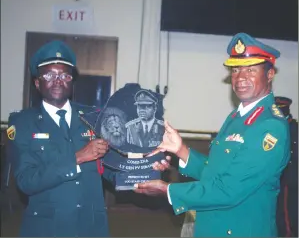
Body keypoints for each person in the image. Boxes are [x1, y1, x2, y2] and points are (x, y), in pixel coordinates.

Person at [134, 33, 291, 237]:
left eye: (251, 70)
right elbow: (216, 173)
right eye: (235, 70)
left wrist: (168, 190)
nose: (241, 77)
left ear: (269, 74)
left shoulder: (270, 126)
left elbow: (228, 190)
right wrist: (181, 150)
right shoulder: (236, 117)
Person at [6, 40, 115, 237]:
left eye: (65, 75)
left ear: (72, 82)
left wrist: (142, 173)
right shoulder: (22, 123)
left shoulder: (93, 117)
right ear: (37, 83)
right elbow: (26, 181)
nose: (58, 80)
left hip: (90, 227)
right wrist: (77, 158)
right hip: (47, 229)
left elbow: (110, 168)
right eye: (50, 75)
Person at [275, 96, 298, 237]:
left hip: (288, 177)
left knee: (287, 215)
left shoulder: (292, 128)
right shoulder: (275, 127)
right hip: (278, 177)